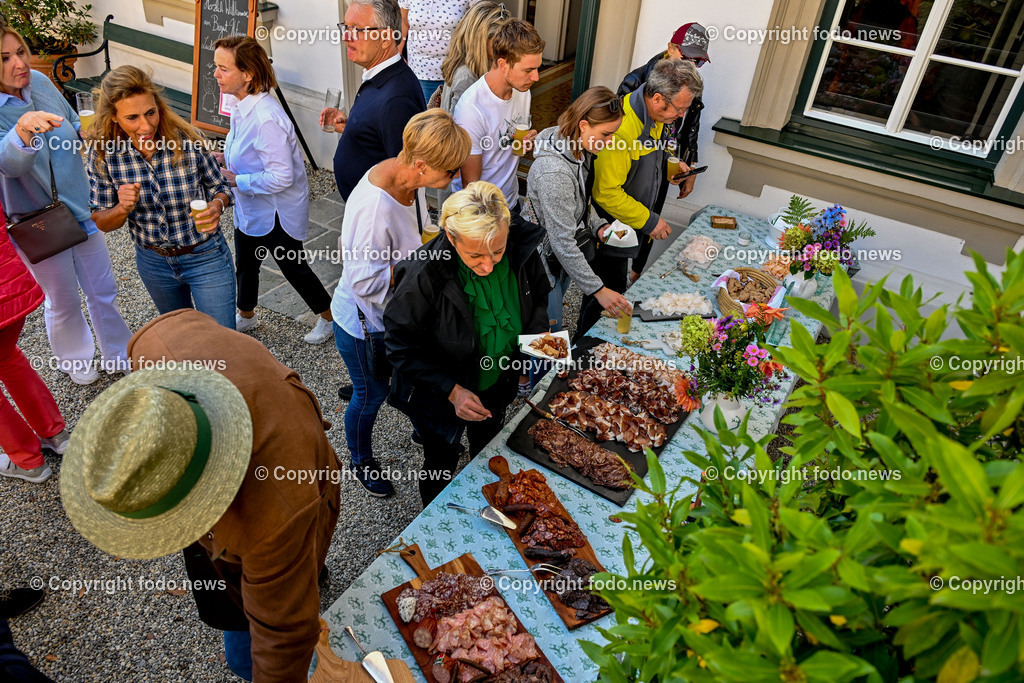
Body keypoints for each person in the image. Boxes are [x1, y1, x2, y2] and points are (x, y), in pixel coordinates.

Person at [62, 308, 341, 682]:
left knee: (248, 651)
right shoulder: (157, 346)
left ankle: (308, 573)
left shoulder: (274, 513)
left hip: (290, 481)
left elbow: (284, 636)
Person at [332, 109, 470, 498]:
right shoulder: (374, 210)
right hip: (364, 324)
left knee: (400, 377)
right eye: (448, 172)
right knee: (369, 395)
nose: (454, 178)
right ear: (423, 165)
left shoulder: (407, 175)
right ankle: (360, 459)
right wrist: (416, 264)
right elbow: (364, 281)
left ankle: (421, 424)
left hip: (395, 314)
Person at [384, 182, 549, 505]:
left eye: (497, 252)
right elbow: (400, 346)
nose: (488, 266)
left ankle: (489, 502)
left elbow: (538, 299)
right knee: (440, 463)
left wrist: (538, 339)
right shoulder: (423, 275)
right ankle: (435, 517)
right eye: (475, 255)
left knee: (489, 451)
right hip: (442, 399)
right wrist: (452, 390)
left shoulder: (520, 246)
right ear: (450, 236)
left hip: (497, 385)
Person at [0, 27, 132, 385]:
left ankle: (118, 354)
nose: (20, 63)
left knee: (103, 289)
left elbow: (72, 122)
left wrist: (84, 130)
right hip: (37, 220)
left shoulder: (41, 83)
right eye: (5, 58)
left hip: (81, 204)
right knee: (62, 299)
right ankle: (76, 362)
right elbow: (10, 165)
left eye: (21, 52)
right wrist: (23, 130)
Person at [88, 66, 236, 329]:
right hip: (154, 263)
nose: (146, 125)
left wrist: (217, 204)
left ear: (158, 106)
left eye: (150, 113)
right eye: (132, 117)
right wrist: (122, 208)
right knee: (181, 339)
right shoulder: (104, 155)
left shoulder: (188, 140)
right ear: (113, 117)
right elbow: (102, 221)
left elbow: (220, 185)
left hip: (206, 256)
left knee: (220, 342)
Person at [213, 36, 335, 344]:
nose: (215, 74)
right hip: (252, 208)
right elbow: (248, 153)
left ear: (248, 74)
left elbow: (282, 176)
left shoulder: (267, 118)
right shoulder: (242, 105)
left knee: (293, 268)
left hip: (275, 213)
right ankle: (247, 315)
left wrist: (235, 181)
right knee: (247, 263)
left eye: (223, 68)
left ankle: (329, 317)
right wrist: (223, 159)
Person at [579, 59, 703, 337]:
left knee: (612, 291)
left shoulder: (654, 114)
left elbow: (651, 155)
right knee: (604, 296)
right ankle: (584, 353)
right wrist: (649, 221)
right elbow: (606, 193)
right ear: (658, 99)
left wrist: (670, 166)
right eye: (680, 108)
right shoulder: (622, 128)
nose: (681, 115)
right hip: (610, 230)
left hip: (627, 226)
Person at [527, 86, 631, 335]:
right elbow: (562, 242)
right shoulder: (555, 174)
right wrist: (598, 290)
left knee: (542, 332)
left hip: (556, 260)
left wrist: (598, 225)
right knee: (547, 341)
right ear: (583, 125)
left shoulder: (574, 146)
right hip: (542, 266)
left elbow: (579, 201)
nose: (609, 143)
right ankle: (533, 374)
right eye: (606, 134)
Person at [617, 22, 710, 281]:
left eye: (699, 61)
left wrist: (689, 166)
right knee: (625, 226)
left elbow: (692, 128)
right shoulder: (636, 80)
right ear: (671, 48)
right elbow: (618, 131)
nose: (693, 65)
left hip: (665, 162)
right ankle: (613, 274)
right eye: (688, 57)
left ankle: (634, 277)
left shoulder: (691, 83)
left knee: (653, 217)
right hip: (634, 168)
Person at [324, 0, 425, 201]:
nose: (346, 36)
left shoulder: (397, 100)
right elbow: (379, 133)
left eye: (357, 30)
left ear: (386, 37)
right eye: (346, 27)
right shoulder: (379, 74)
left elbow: (405, 178)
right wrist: (352, 126)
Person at [0, 207, 69, 484]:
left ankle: (28, 461)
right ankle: (55, 433)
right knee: (8, 358)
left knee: (8, 359)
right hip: (8, 285)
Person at [452, 18, 544, 215]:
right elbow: (471, 187)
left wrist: (523, 144)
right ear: (503, 64)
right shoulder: (471, 109)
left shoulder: (522, 90)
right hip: (482, 211)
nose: (536, 77)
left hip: (510, 202)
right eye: (528, 70)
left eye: (537, 68)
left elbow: (515, 148)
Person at [399, 0, 479, 104]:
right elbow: (404, 22)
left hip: (456, 72)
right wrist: (398, 55)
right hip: (419, 72)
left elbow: (480, 25)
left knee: (455, 118)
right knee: (425, 118)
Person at [439, 1, 509, 112]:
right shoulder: (467, 77)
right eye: (497, 42)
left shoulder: (469, 65)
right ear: (479, 41)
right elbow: (459, 126)